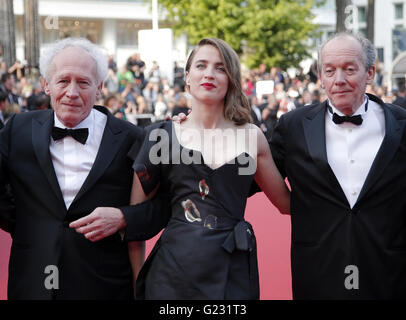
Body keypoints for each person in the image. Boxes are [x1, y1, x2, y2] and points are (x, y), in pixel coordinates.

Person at [0, 37, 168, 299]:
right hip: (33, 280)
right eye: (63, 81)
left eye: (83, 82)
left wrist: (123, 218)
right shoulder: (17, 129)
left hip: (103, 284)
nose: (72, 92)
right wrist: (27, 222)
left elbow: (162, 206)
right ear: (46, 84)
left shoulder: (131, 138)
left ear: (99, 87)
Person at [125, 38, 290, 300]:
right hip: (172, 273)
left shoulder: (251, 137)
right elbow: (135, 224)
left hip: (233, 268)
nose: (209, 74)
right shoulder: (160, 137)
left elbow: (286, 204)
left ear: (231, 79)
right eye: (201, 65)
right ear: (188, 77)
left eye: (220, 68)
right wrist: (136, 285)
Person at [270, 32, 406, 299]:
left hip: (388, 272)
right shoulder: (293, 127)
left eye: (349, 69)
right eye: (330, 71)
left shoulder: (402, 124)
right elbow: (246, 177)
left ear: (370, 74)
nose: (339, 80)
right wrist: (194, 132)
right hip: (318, 269)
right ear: (321, 77)